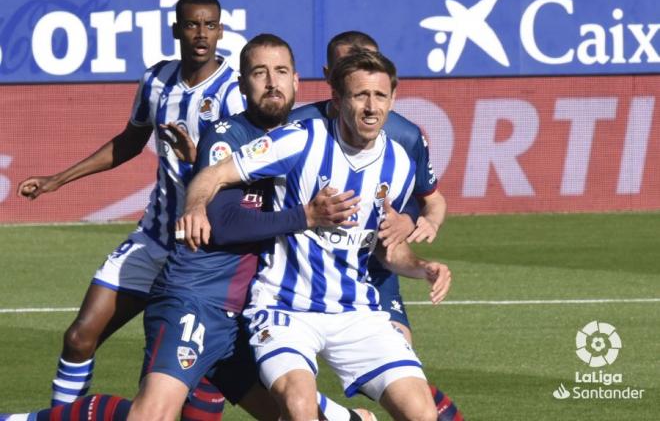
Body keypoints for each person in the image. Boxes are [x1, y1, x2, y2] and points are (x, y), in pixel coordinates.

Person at [1, 34, 373, 421]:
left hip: (249, 311)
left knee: (282, 413)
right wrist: (305, 216)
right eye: (259, 73)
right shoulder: (228, 137)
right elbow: (224, 224)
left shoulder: (305, 134)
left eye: (280, 71)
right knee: (150, 416)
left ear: (297, 80)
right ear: (242, 83)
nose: (271, 82)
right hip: (198, 298)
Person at [180, 50, 452, 420]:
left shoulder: (400, 165)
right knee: (299, 406)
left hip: (356, 312)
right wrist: (195, 206)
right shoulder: (298, 140)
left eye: (381, 96)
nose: (372, 107)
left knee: (422, 412)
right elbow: (216, 174)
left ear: (393, 99)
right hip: (284, 308)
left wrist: (423, 268)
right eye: (360, 96)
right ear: (338, 101)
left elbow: (386, 250)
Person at [16, 0, 240, 418]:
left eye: (210, 25)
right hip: (153, 239)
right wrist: (57, 179)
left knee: (192, 383)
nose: (201, 34)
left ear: (220, 31)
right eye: (192, 24)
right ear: (176, 29)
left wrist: (199, 163)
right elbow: (130, 142)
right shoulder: (156, 80)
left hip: (201, 251)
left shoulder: (233, 93)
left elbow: (242, 175)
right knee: (80, 337)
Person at [291, 31, 463, 420]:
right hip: (299, 279)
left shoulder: (404, 136)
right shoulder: (300, 130)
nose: (365, 88)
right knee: (285, 391)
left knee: (405, 372)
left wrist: (420, 224)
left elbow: (432, 201)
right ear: (330, 77)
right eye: (347, 67)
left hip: (375, 268)